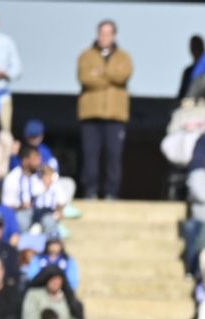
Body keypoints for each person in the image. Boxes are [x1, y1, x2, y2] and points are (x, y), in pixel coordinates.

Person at [75, 20, 131, 202]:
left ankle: (111, 192)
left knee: (113, 157)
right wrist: (110, 76)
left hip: (115, 116)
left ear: (114, 35)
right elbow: (85, 78)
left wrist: (101, 72)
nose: (104, 37)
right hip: (91, 115)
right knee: (90, 156)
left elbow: (123, 75)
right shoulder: (86, 56)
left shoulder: (124, 57)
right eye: (101, 33)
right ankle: (90, 191)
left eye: (107, 34)